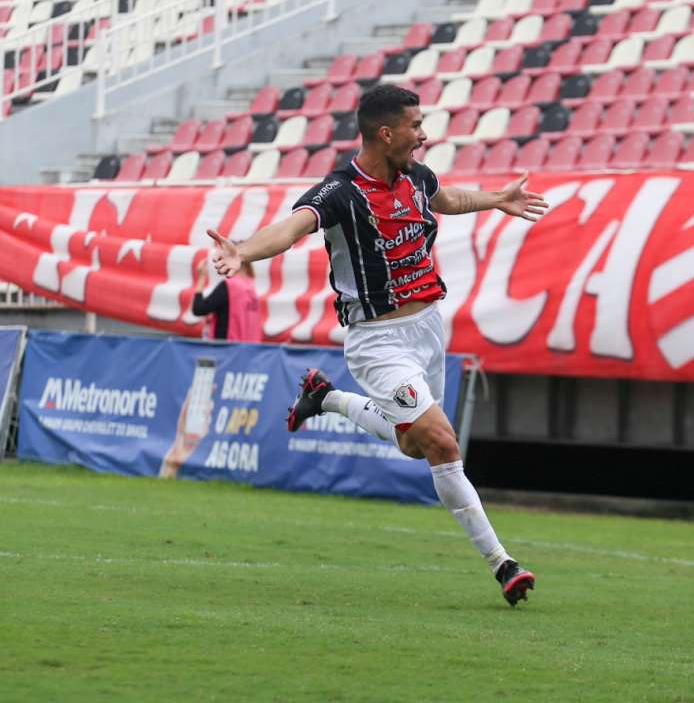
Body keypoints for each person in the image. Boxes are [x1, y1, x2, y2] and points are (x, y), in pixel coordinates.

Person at [207, 84, 548, 606]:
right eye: (415, 126)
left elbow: (449, 199)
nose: (424, 134)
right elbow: (292, 229)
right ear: (386, 133)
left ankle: (328, 399)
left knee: (413, 444)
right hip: (377, 341)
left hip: (430, 327)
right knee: (442, 444)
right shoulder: (340, 191)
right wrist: (244, 249)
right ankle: (503, 564)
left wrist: (497, 200)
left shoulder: (415, 175)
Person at [192, 255, 262, 342]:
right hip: (249, 348)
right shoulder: (251, 286)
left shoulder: (229, 285)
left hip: (228, 348)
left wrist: (201, 278)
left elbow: (198, 309)